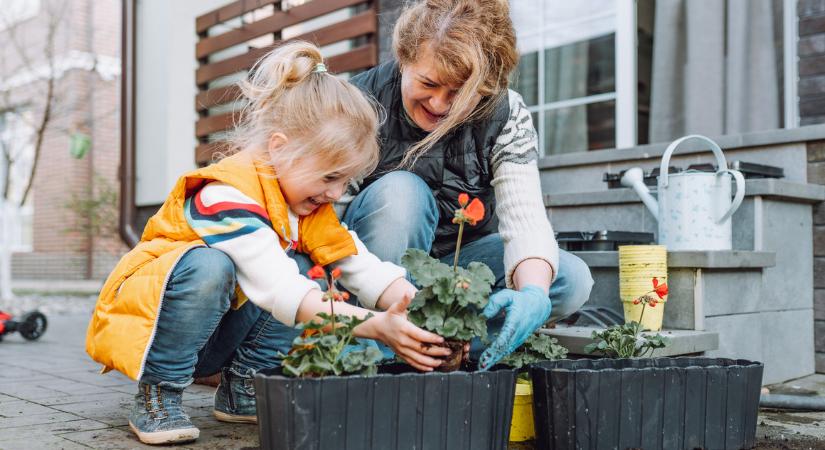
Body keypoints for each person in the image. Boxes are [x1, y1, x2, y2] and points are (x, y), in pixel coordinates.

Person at [85, 41, 450, 446]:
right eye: (330, 177)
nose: (337, 193)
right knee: (214, 267)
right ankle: (159, 393)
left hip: (212, 335)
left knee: (299, 263)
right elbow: (283, 291)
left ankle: (244, 390)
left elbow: (358, 264)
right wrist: (376, 327)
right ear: (279, 147)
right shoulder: (226, 195)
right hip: (152, 328)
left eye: (345, 181)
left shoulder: (303, 204)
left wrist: (418, 308)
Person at [341, 0, 595, 369]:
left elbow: (525, 219)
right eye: (428, 83)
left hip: (455, 268)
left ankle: (442, 348)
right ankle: (376, 352)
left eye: (459, 91)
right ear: (403, 58)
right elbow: (323, 220)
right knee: (402, 193)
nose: (440, 103)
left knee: (569, 280)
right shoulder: (358, 104)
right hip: (368, 278)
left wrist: (534, 293)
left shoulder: (505, 114)